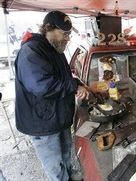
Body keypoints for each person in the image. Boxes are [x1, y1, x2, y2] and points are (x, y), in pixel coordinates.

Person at [15, 11, 89, 181]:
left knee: (65, 155)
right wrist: (74, 86)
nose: (68, 38)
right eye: (65, 34)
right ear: (49, 28)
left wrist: (76, 83)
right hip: (42, 123)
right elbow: (42, 86)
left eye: (69, 34)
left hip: (57, 118)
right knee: (55, 166)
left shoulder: (55, 49)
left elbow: (63, 78)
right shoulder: (31, 51)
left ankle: (69, 177)